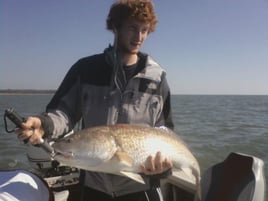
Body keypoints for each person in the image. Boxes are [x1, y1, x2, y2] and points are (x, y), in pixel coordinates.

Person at [16, 0, 174, 200]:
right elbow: (63, 113)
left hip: (141, 187)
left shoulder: (157, 78)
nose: (139, 37)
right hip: (94, 186)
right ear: (116, 27)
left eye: (144, 30)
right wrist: (43, 124)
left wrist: (163, 167)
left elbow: (164, 130)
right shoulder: (86, 69)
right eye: (133, 28)